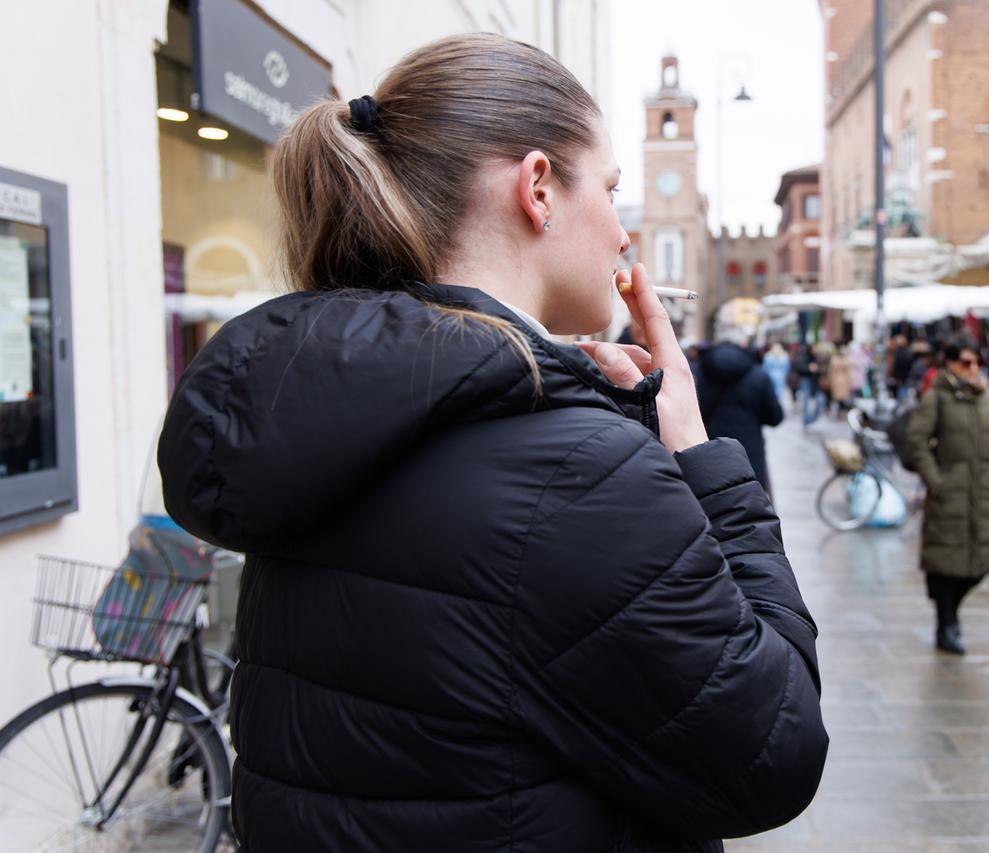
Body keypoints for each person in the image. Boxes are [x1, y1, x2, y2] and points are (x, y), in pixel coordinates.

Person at [157, 35, 827, 852]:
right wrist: (695, 452)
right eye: (611, 190)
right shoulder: (573, 474)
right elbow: (774, 747)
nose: (623, 233)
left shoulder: (317, 415)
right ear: (538, 188)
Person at [902, 339, 989, 655]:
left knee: (982, 564)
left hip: (983, 494)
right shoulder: (936, 398)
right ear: (950, 363)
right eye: (966, 362)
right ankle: (947, 623)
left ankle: (948, 613)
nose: (973, 368)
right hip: (949, 496)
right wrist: (937, 482)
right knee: (946, 564)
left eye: (977, 362)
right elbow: (916, 443)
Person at [691, 338, 785, 495]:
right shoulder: (759, 375)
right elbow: (775, 417)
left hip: (707, 454)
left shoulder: (696, 374)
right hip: (748, 458)